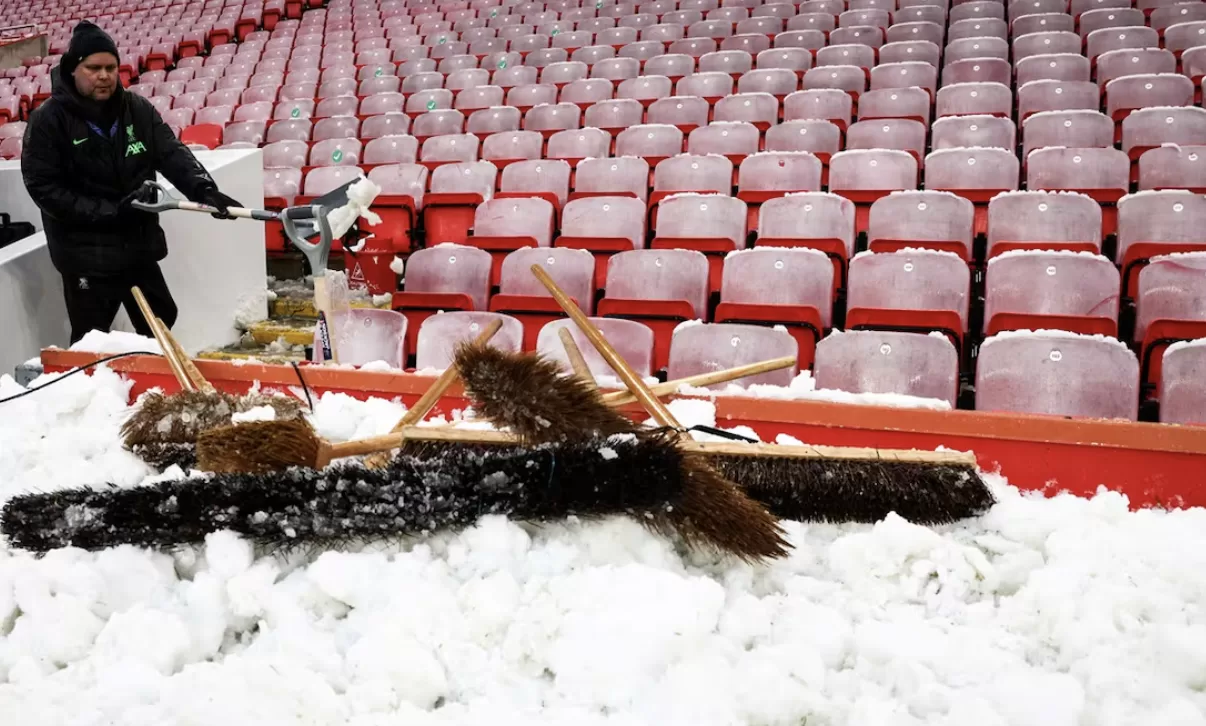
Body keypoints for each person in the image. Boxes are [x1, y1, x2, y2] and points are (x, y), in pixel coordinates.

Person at [21, 21, 243, 344]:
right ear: (72, 69)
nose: (104, 75)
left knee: (161, 318)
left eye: (111, 67)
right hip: (86, 256)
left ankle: (148, 387)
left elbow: (171, 153)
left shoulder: (136, 110)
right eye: (93, 68)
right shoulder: (47, 121)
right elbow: (45, 188)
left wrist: (204, 190)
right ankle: (93, 391)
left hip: (136, 246)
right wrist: (109, 211)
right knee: (90, 339)